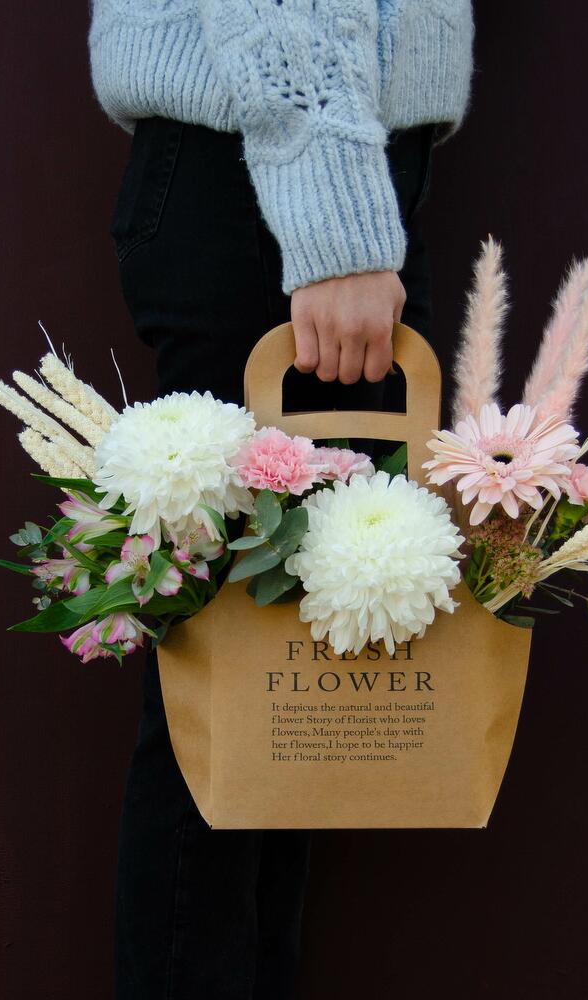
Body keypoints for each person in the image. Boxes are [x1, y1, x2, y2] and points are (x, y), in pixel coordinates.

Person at [87, 2, 475, 997]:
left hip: (334, 172)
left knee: (284, 705)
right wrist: (334, 218)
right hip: (282, 176)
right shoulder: (321, 202)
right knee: (229, 702)